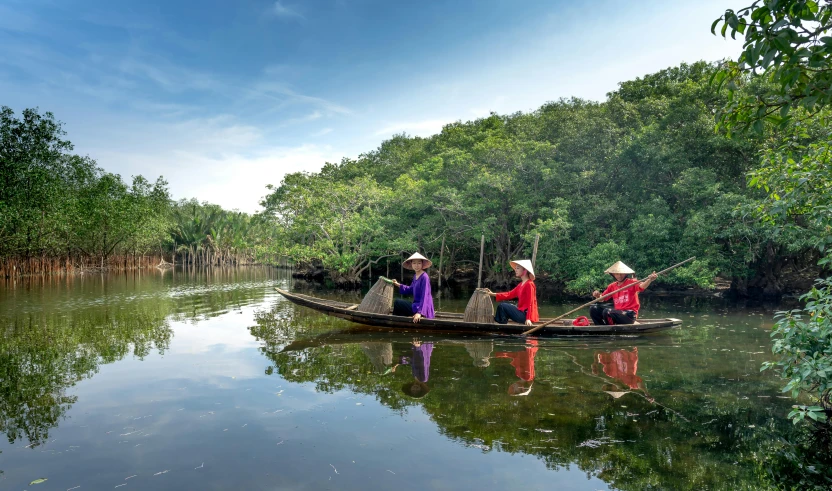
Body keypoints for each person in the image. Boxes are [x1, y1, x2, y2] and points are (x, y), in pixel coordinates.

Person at [589, 261, 657, 325]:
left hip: (629, 314)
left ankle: (610, 330)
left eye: (621, 273)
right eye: (617, 274)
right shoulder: (612, 286)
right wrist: (597, 296)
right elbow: (602, 299)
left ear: (625, 274)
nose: (619, 276)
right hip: (617, 313)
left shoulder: (631, 282)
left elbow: (642, 286)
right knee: (593, 308)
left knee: (607, 311)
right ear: (613, 274)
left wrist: (649, 279)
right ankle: (601, 328)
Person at [483, 259, 539, 326]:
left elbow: (531, 302)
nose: (516, 270)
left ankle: (499, 325)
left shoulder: (529, 284)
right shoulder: (521, 284)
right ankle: (502, 324)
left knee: (502, 306)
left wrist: (528, 318)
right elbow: (509, 294)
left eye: (518, 268)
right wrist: (492, 294)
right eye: (515, 268)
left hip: (526, 315)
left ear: (525, 270)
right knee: (503, 306)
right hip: (522, 312)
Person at [391, 252, 435, 323]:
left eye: (419, 263)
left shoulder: (424, 277)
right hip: (416, 305)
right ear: (411, 264)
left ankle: (394, 322)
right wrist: (398, 284)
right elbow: (411, 289)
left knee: (397, 303)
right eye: (414, 263)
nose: (416, 265)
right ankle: (399, 322)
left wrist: (419, 313)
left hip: (423, 308)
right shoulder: (415, 276)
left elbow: (425, 296)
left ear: (422, 264)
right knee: (399, 304)